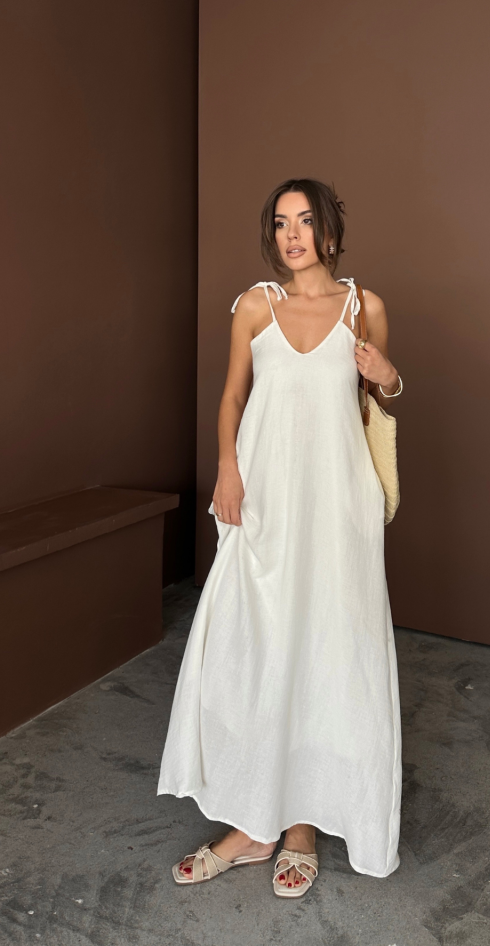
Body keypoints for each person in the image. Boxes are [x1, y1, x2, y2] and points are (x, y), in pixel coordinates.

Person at [158, 178, 404, 897]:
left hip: (338, 507)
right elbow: (233, 395)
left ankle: (300, 827)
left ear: (329, 231)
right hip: (263, 498)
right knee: (254, 649)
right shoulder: (254, 306)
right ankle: (253, 825)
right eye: (279, 222)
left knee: (329, 653)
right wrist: (227, 470)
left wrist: (390, 376)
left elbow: (375, 398)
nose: (291, 234)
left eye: (304, 221)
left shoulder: (365, 308)